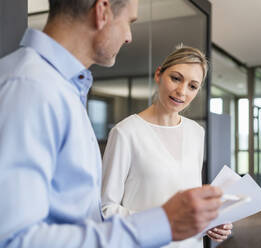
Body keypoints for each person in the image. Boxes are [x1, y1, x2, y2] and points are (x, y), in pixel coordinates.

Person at [0, 0, 223, 247]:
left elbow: (82, 212)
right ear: (102, 10)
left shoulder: (65, 91)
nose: (128, 37)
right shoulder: (30, 87)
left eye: (193, 86)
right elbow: (12, 239)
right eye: (129, 22)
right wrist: (161, 223)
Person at [101, 45, 233, 247]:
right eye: (176, 78)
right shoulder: (125, 133)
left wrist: (209, 222)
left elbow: (189, 202)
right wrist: (162, 221)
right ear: (159, 75)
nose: (181, 91)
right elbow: (106, 208)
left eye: (192, 86)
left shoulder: (196, 132)